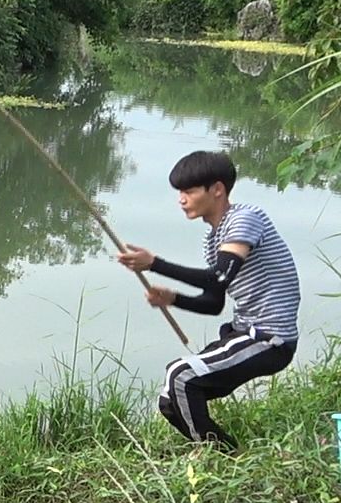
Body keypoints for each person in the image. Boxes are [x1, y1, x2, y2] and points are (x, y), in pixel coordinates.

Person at [116, 150, 300, 449]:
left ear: (217, 189)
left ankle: (221, 456)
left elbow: (218, 277)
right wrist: (172, 298)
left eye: (189, 191)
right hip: (243, 332)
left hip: (270, 338)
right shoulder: (213, 239)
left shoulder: (244, 219)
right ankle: (226, 452)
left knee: (181, 374)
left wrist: (154, 264)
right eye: (179, 192)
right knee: (169, 399)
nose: (181, 199)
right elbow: (214, 302)